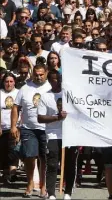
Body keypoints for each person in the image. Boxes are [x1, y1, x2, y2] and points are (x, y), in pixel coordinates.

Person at [11, 64, 52, 198]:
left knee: (44, 158)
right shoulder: (25, 88)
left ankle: (43, 186)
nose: (38, 77)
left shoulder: (52, 87)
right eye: (36, 74)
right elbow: (16, 107)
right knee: (29, 156)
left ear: (46, 73)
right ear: (32, 73)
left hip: (47, 129)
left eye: (41, 74)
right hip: (29, 128)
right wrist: (13, 126)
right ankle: (30, 183)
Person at [37, 70, 78, 200]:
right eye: (54, 79)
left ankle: (68, 192)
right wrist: (57, 118)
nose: (57, 81)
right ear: (49, 81)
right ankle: (51, 193)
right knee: (53, 164)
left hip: (69, 134)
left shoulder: (69, 94)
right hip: (53, 134)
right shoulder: (45, 97)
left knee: (70, 164)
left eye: (59, 78)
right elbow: (40, 118)